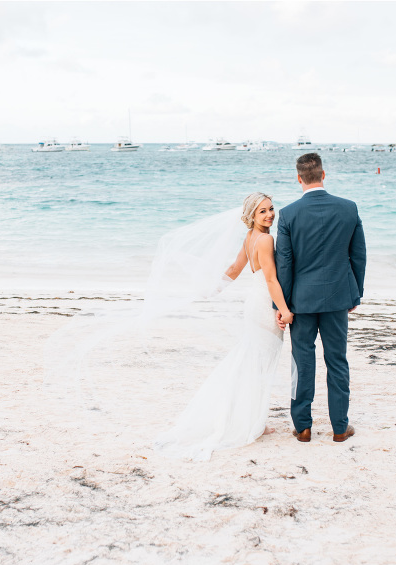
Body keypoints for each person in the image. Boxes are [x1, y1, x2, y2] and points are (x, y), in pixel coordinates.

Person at [153, 192, 293, 461]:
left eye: (271, 209)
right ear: (251, 215)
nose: (270, 215)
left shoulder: (250, 238)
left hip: (253, 304)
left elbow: (233, 269)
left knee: (252, 363)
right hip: (264, 306)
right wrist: (284, 311)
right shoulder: (265, 239)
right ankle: (253, 423)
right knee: (260, 365)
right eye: (262, 211)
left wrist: (213, 288)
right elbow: (272, 280)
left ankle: (252, 419)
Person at [275, 153, 366, 443]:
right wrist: (355, 293)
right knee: (337, 361)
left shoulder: (288, 214)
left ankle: (303, 426)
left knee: (302, 362)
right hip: (338, 297)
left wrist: (282, 305)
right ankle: (340, 427)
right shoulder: (348, 209)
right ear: (323, 175)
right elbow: (358, 256)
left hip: (301, 301)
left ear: (299, 178)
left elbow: (284, 264)